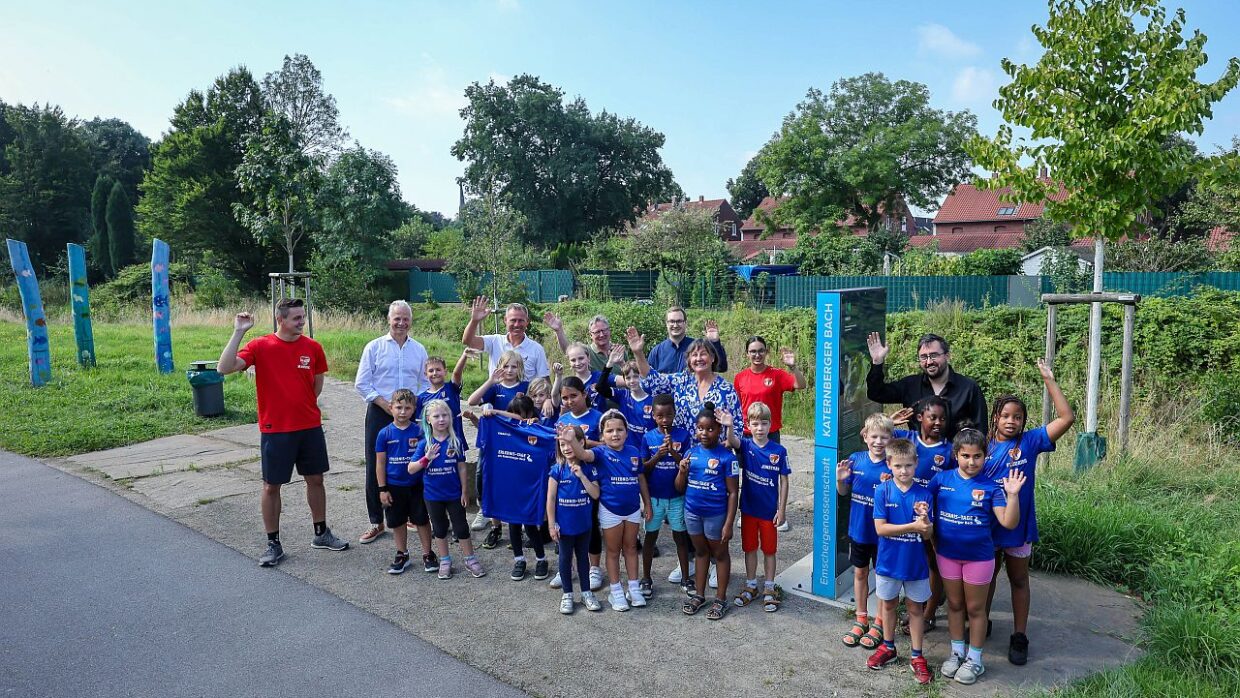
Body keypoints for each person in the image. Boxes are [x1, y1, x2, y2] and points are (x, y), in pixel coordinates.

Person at [217, 298, 348, 567]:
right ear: (281, 319)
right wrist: (239, 331)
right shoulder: (261, 346)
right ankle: (273, 543)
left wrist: (302, 408)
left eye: (303, 317)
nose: (302, 322)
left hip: (309, 427)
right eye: (296, 318)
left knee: (316, 479)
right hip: (276, 430)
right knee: (271, 486)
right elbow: (224, 368)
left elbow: (316, 385)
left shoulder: (312, 347)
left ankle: (321, 533)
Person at [983, 359, 1074, 666]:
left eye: (1018, 416)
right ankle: (981, 621)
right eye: (1006, 415)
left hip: (1019, 528)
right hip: (988, 527)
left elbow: (1066, 417)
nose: (1011, 421)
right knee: (988, 576)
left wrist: (1050, 379)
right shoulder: (980, 446)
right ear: (995, 418)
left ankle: (1019, 635)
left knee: (1019, 579)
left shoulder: (1031, 442)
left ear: (1024, 421)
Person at [928, 429, 1026, 686]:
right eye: (965, 456)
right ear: (956, 455)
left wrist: (1013, 495)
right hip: (947, 556)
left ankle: (975, 659)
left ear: (985, 456)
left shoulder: (991, 487)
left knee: (975, 609)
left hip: (979, 558)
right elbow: (923, 506)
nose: (971, 462)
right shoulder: (941, 480)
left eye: (977, 456)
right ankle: (957, 652)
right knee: (955, 605)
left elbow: (1008, 521)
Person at [354, 300, 431, 545]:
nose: (401, 323)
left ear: (411, 321)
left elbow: (425, 382)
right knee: (376, 464)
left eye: (405, 318)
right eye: (396, 318)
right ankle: (376, 521)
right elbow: (362, 383)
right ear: (389, 319)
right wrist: (385, 404)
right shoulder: (374, 347)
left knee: (412, 462)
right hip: (380, 411)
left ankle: (408, 514)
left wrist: (411, 406)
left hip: (411, 414)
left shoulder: (419, 350)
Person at [560, 410, 652, 612]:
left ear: (627, 433)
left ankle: (634, 588)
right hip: (610, 510)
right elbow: (583, 454)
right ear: (602, 435)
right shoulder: (600, 453)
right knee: (612, 550)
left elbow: (641, 479)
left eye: (620, 430)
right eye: (609, 431)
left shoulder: (634, 452)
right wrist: (571, 441)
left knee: (630, 548)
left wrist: (647, 504)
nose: (615, 434)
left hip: (633, 510)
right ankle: (616, 591)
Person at [866, 438, 935, 685]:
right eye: (898, 466)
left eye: (908, 465)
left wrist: (925, 524)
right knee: (888, 605)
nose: (904, 471)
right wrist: (913, 525)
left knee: (916, 609)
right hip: (888, 563)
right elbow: (881, 529)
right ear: (889, 465)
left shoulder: (924, 494)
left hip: (915, 564)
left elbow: (927, 534)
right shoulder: (882, 490)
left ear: (916, 464)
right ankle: (888, 647)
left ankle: (917, 656)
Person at [891, 396, 955, 634]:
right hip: (900, 516)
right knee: (909, 560)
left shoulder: (949, 450)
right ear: (920, 418)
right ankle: (909, 606)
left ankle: (928, 613)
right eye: (933, 417)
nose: (938, 423)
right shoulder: (905, 439)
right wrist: (889, 422)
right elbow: (867, 434)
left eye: (943, 418)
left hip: (932, 518)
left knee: (933, 563)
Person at [476, 398, 557, 583]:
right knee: (512, 526)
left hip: (529, 488)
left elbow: (552, 440)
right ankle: (519, 560)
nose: (517, 418)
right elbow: (485, 433)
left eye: (521, 414)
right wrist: (490, 414)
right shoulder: (501, 427)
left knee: (530, 527)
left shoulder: (537, 430)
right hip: (509, 486)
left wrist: (497, 412)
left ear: (530, 414)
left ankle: (541, 559)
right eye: (514, 413)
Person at [836, 413, 895, 649]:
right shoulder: (855, 460)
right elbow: (842, 493)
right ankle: (861, 618)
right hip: (859, 531)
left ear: (891, 438)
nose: (879, 441)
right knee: (860, 574)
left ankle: (880, 622)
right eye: (874, 436)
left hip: (884, 536)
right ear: (865, 436)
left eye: (884, 437)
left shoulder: (894, 465)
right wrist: (840, 480)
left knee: (883, 579)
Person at [677, 404, 740, 620]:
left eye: (710, 429)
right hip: (692, 513)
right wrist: (681, 472)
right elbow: (679, 487)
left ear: (719, 430)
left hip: (716, 515)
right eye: (700, 429)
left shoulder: (727, 457)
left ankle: (721, 599)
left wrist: (729, 523)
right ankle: (700, 595)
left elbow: (733, 493)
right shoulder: (691, 453)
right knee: (701, 552)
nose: (705, 433)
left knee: (720, 554)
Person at [411, 400, 485, 580]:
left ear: (450, 418)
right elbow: (411, 468)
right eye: (436, 416)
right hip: (433, 495)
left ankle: (470, 558)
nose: (441, 419)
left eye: (445, 415)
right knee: (440, 528)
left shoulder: (455, 441)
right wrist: (425, 459)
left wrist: (464, 491)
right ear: (428, 419)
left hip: (454, 495)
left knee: (461, 528)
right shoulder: (424, 444)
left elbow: (461, 467)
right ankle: (445, 560)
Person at [866, 332, 987, 438]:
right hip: (919, 458)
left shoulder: (969, 388)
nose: (929, 362)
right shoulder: (910, 385)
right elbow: (876, 393)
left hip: (955, 460)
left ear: (947, 355)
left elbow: (980, 428)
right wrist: (877, 362)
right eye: (923, 357)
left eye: (934, 355)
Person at [732, 402, 791, 614]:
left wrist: (781, 510)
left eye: (764, 423)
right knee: (749, 548)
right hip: (748, 510)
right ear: (748, 425)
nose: (759, 428)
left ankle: (768, 586)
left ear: (770, 425)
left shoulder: (779, 450)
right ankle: (751, 585)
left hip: (769, 512)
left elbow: (784, 481)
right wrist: (730, 425)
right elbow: (731, 440)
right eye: (755, 424)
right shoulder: (746, 446)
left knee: (769, 550)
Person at [468, 350, 530, 549]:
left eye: (514, 366)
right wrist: (490, 382)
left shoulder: (525, 387)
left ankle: (517, 527)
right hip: (493, 444)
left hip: (516, 446)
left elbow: (525, 415)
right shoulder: (494, 389)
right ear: (499, 367)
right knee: (487, 483)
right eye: (506, 366)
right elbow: (471, 401)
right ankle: (495, 527)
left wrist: (495, 410)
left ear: (520, 369)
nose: (510, 370)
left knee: (515, 485)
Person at [374, 389, 436, 575]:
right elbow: (380, 463)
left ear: (414, 409)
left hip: (417, 484)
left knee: (422, 519)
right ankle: (402, 553)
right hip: (394, 486)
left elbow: (427, 457)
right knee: (397, 521)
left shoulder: (420, 431)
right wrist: (382, 488)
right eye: (398, 407)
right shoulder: (384, 434)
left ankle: (428, 553)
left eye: (407, 408)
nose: (402, 412)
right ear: (391, 408)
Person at [547, 425, 603, 614]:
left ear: (581, 443)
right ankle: (567, 594)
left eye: (570, 443)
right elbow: (551, 499)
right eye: (562, 444)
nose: (566, 448)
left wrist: (581, 476)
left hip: (584, 525)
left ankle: (586, 593)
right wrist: (551, 524)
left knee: (583, 560)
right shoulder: (557, 469)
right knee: (564, 558)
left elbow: (595, 494)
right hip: (564, 526)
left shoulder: (589, 468)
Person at [640, 393, 692, 596]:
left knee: (680, 538)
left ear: (674, 414)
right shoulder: (648, 437)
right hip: (654, 498)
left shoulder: (683, 435)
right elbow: (643, 469)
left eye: (669, 415)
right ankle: (646, 578)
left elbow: (685, 465)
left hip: (677, 497)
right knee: (650, 538)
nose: (665, 420)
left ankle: (686, 578)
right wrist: (657, 456)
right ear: (653, 415)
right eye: (660, 416)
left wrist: (672, 452)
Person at [732, 336, 806, 443]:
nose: (757, 355)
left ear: (766, 352)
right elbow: (737, 407)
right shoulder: (740, 377)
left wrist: (793, 367)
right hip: (747, 435)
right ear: (747, 354)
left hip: (770, 434)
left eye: (761, 351)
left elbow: (801, 385)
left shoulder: (777, 374)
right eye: (753, 351)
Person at [462, 296, 550, 380]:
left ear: (527, 321)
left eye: (521, 320)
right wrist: (474, 321)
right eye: (513, 320)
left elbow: (545, 381)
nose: (517, 324)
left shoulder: (537, 349)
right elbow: (468, 341)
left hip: (524, 395)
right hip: (495, 395)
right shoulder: (495, 341)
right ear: (505, 320)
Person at [645, 306, 728, 374]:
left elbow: (721, 367)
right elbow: (648, 379)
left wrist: (714, 342)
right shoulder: (656, 352)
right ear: (666, 324)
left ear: (685, 323)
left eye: (679, 321)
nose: (675, 325)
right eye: (672, 321)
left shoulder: (698, 347)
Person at [545, 312, 621, 372]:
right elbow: (568, 350)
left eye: (604, 330)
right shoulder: (587, 351)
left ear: (609, 330)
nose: (601, 335)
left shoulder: (618, 350)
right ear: (590, 335)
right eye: (597, 332)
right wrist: (559, 331)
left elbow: (629, 373)